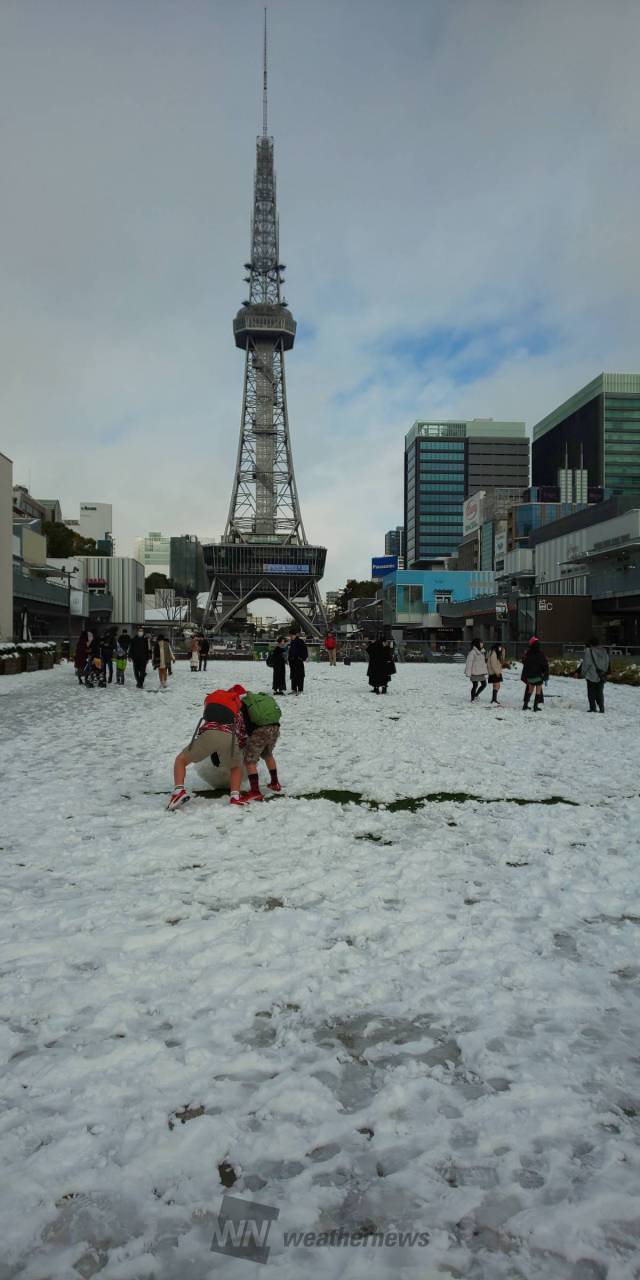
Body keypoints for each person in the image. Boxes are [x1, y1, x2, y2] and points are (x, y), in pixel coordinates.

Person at [168, 684, 250, 809]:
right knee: (235, 767)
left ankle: (178, 791)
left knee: (181, 760)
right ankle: (235, 796)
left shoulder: (216, 706)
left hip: (209, 735)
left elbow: (206, 723)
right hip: (229, 737)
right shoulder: (238, 713)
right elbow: (242, 733)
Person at [241, 691, 284, 800]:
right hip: (275, 728)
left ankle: (255, 791)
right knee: (268, 754)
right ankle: (275, 783)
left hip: (260, 731)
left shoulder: (244, 704)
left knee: (249, 760)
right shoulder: (260, 699)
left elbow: (245, 725)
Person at [580, 635, 610, 713]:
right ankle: (601, 707)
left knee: (591, 692)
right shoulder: (604, 651)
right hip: (601, 675)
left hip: (591, 675)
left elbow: (586, 663)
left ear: (590, 644)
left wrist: (583, 673)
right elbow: (607, 662)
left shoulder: (589, 651)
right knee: (600, 692)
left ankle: (593, 708)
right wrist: (605, 672)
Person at [521, 637, 549, 711]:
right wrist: (544, 674)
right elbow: (544, 664)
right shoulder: (541, 654)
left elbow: (524, 662)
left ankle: (525, 705)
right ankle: (535, 707)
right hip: (538, 676)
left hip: (530, 676)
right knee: (538, 691)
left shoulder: (528, 653)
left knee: (530, 690)